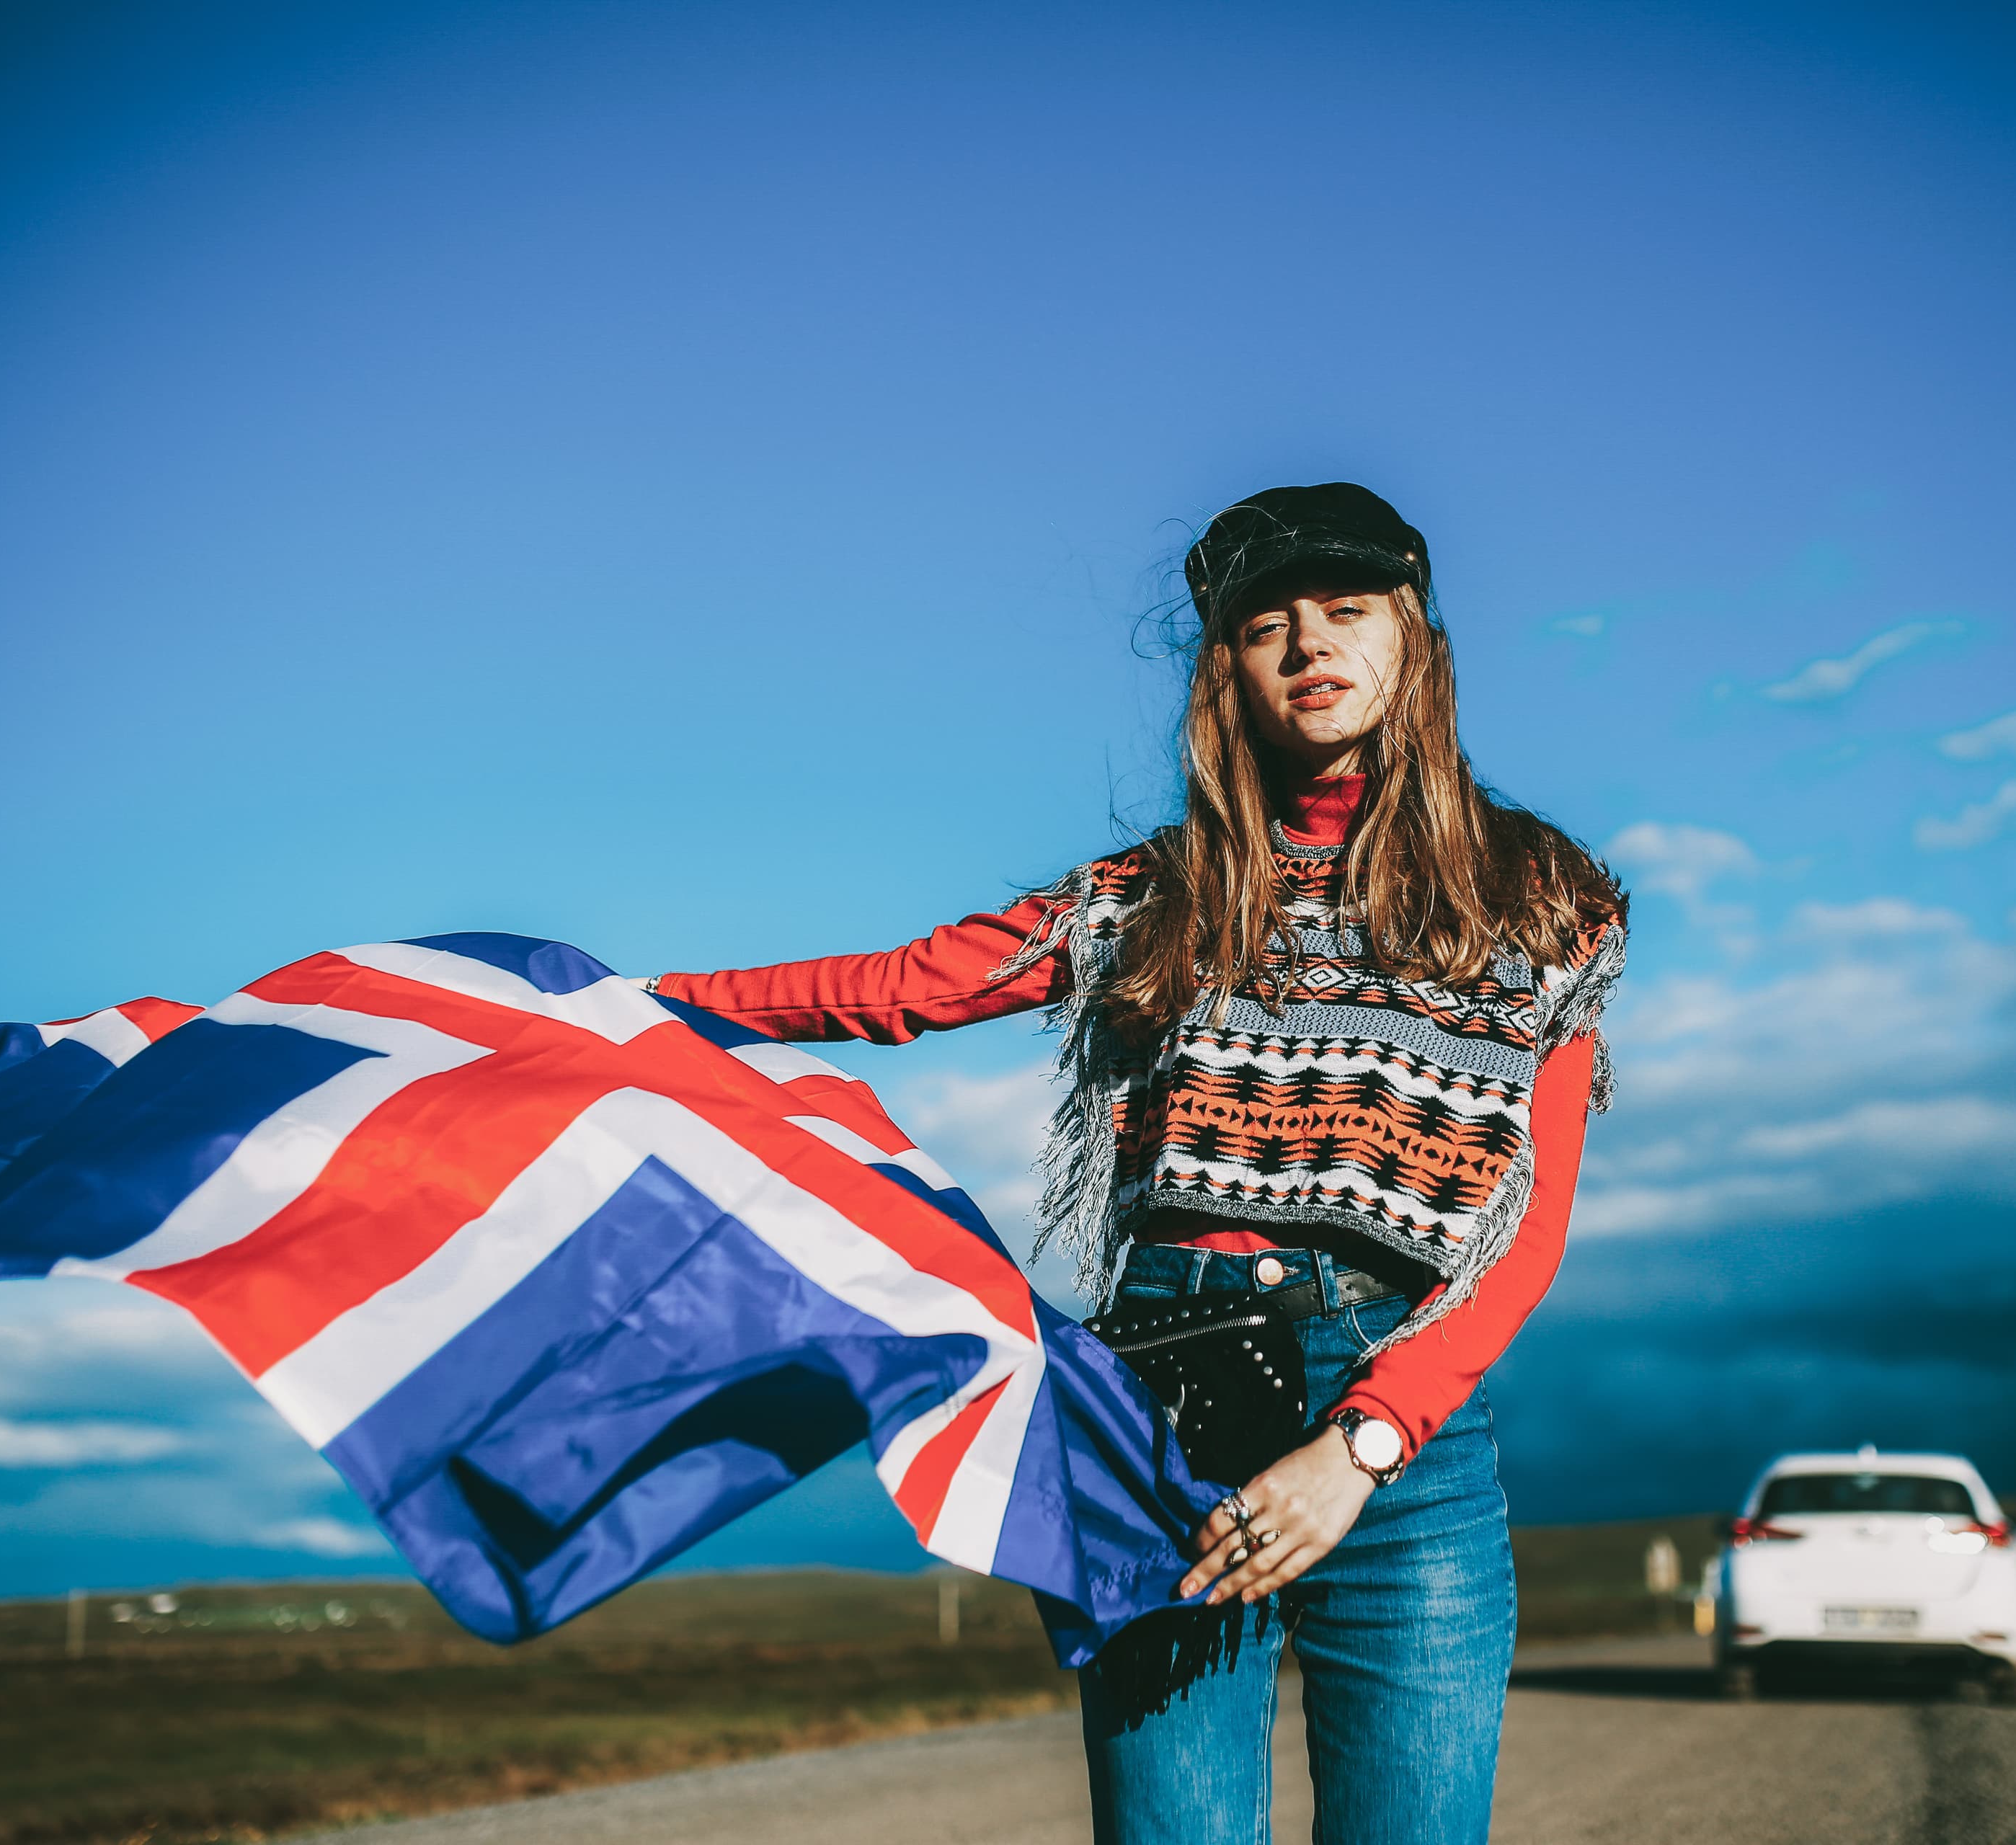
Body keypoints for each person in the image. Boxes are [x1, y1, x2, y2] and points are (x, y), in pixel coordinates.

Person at [652, 482, 1627, 1845]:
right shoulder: (1142, 898)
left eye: (1347, 612)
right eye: (1264, 626)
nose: (1309, 647)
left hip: (1403, 1447)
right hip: (1161, 1418)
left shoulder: (1543, 901)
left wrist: (1364, 1443)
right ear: (1224, 668)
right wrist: (619, 1007)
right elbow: (891, 989)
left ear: (1414, 640)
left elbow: (1520, 1232)